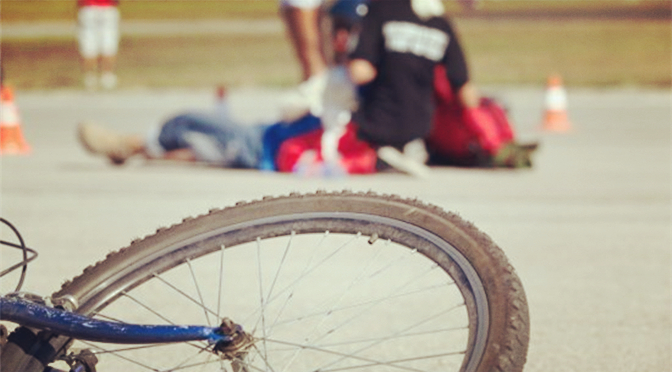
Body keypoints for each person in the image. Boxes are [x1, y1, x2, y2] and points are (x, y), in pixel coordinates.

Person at [77, 0, 121, 90]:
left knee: (89, 42)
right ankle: (107, 77)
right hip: (108, 8)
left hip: (89, 8)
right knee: (109, 42)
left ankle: (90, 77)